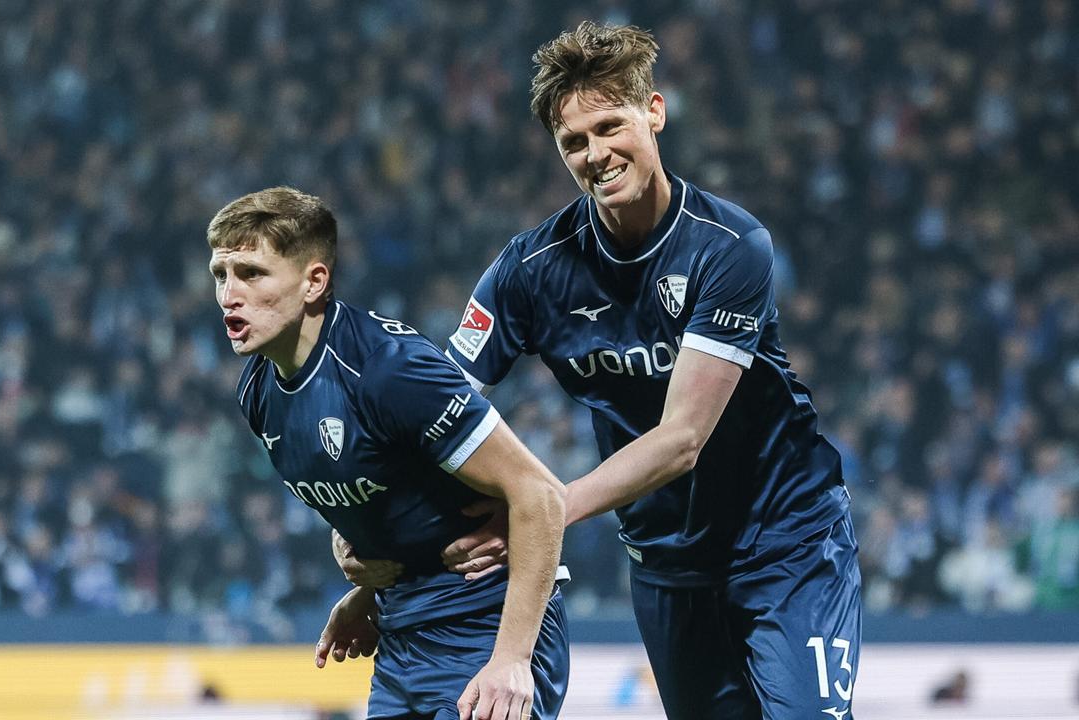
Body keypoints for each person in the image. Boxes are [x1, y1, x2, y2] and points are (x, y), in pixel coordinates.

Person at [336, 21, 861, 720]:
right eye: (573, 142)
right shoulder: (529, 270)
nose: (596, 154)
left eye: (610, 126)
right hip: (664, 561)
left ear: (655, 112)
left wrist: (542, 513)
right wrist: (374, 548)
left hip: (787, 544)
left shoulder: (730, 247)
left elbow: (682, 439)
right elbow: (431, 415)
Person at [210, 186, 569, 720]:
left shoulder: (388, 368)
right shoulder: (257, 392)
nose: (228, 294)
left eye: (251, 273)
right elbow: (393, 493)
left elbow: (541, 497)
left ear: (314, 282)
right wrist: (366, 591)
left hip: (486, 627)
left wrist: (512, 659)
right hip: (402, 639)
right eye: (220, 274)